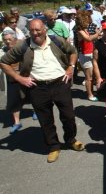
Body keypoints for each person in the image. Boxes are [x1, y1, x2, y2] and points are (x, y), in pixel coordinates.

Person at [0, 19, 84, 163]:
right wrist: (19, 78)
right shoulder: (24, 45)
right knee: (45, 120)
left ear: (44, 29)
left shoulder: (56, 41)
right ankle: (53, 146)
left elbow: (73, 51)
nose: (35, 33)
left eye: (38, 30)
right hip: (37, 87)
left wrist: (71, 67)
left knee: (68, 115)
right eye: (32, 30)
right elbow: (4, 62)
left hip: (60, 83)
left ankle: (71, 140)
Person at [0, 30, 36, 134]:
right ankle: (16, 122)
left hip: (26, 76)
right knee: (13, 100)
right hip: (12, 79)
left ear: (15, 39)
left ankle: (35, 111)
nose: (7, 42)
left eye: (9, 39)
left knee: (32, 95)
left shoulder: (23, 46)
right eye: (5, 40)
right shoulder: (2, 51)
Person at [76, 11, 101, 101]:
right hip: (85, 55)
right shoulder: (80, 30)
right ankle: (90, 95)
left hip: (89, 53)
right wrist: (98, 33)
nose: (90, 20)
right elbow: (88, 39)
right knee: (89, 77)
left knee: (92, 76)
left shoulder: (84, 29)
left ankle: (91, 91)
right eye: (88, 19)